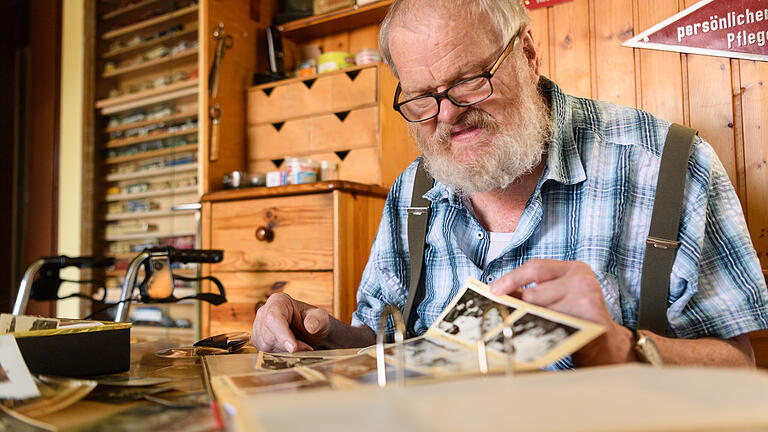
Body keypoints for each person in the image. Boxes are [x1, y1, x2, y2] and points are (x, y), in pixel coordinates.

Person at [251, 0, 768, 368]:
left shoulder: (668, 166)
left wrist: (624, 347)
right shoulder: (412, 192)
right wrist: (313, 332)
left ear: (526, 52)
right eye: (422, 98)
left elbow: (738, 363)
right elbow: (382, 340)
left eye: (470, 80)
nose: (448, 116)